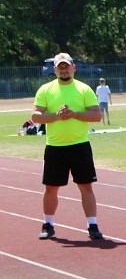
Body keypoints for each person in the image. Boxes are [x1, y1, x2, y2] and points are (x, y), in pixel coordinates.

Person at [31, 53, 104, 241]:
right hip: (55, 147)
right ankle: (48, 224)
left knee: (86, 187)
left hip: (80, 145)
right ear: (54, 69)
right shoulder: (46, 90)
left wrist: (73, 114)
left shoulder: (83, 89)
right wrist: (56, 116)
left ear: (74, 67)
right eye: (60, 66)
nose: (63, 69)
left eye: (66, 66)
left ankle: (92, 225)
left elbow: (96, 115)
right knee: (51, 188)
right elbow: (36, 117)